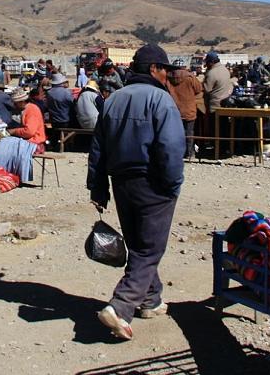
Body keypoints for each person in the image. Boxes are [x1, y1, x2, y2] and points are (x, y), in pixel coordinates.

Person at [87, 44, 184, 341]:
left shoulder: (113, 100)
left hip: (121, 183)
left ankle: (151, 300)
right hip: (152, 183)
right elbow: (170, 149)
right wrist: (172, 185)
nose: (167, 75)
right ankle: (121, 306)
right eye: (165, 69)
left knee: (139, 242)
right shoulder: (161, 101)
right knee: (149, 248)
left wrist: (99, 186)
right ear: (154, 69)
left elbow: (98, 148)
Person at [166, 63, 203, 159]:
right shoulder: (190, 77)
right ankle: (189, 153)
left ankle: (176, 153)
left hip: (173, 109)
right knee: (189, 132)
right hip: (188, 109)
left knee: (174, 132)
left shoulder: (167, 78)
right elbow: (199, 89)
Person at [9, 87, 47, 151]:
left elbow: (29, 131)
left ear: (22, 102)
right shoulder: (22, 110)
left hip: (34, 141)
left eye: (15, 103)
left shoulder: (32, 109)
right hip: (26, 140)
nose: (14, 105)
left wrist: (13, 131)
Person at [46, 73, 74, 151]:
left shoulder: (49, 93)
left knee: (56, 132)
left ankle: (55, 145)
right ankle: (68, 145)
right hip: (66, 120)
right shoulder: (67, 92)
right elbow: (72, 104)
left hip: (54, 120)